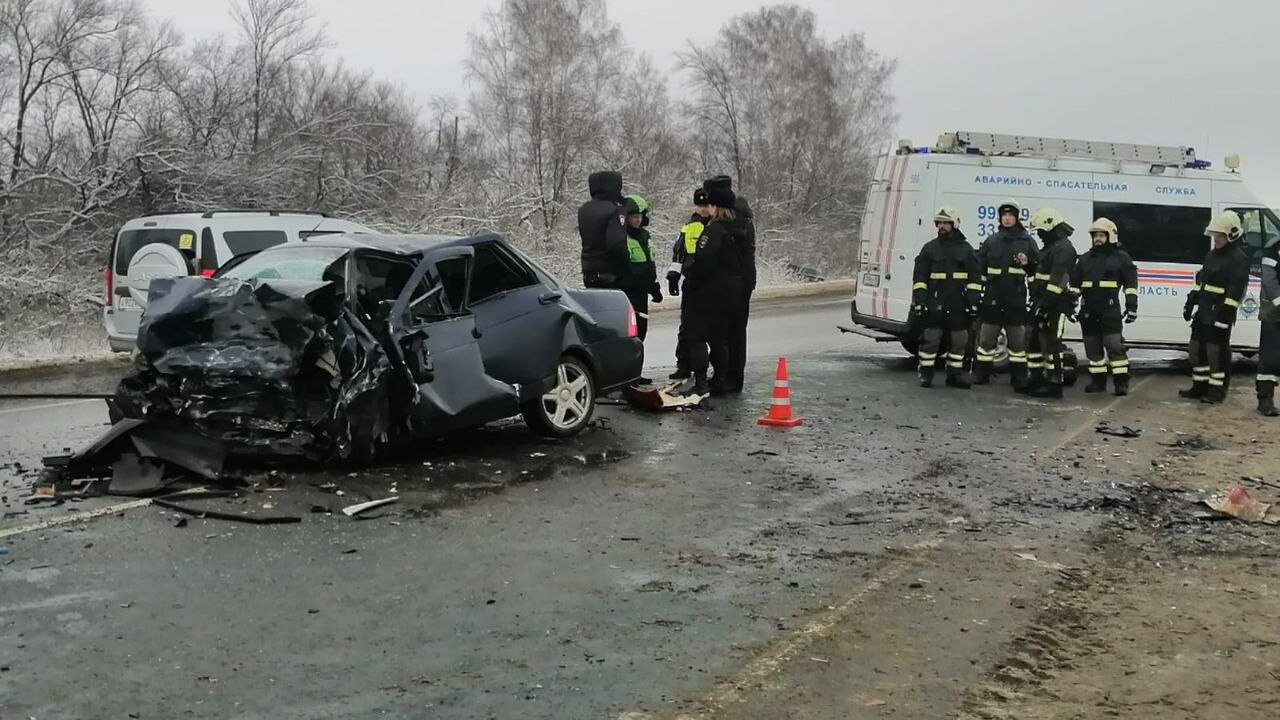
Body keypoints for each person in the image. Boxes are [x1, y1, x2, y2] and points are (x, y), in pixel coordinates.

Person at [1180, 211, 1251, 404]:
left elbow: (1235, 292)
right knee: (1196, 350)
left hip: (1220, 314)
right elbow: (1201, 282)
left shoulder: (1238, 259)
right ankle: (1199, 386)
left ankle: (1217, 391)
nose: (1216, 239)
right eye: (1215, 235)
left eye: (1220, 236)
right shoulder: (1211, 255)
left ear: (1232, 235)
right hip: (1203, 312)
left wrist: (1225, 316)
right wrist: (1190, 302)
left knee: (1216, 353)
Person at [680, 181, 741, 396]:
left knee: (697, 337)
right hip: (729, 294)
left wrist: (690, 277)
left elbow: (704, 262)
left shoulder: (714, 230)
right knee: (719, 339)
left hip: (707, 294)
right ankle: (720, 381)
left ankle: (701, 383)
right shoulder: (740, 227)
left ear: (716, 206)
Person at [911, 207, 982, 388]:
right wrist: (920, 301)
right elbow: (920, 278)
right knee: (930, 341)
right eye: (939, 223)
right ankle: (926, 375)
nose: (941, 226)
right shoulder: (929, 249)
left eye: (945, 223)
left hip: (959, 305)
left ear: (955, 224)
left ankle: (954, 376)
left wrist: (973, 303)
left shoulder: (966, 250)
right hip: (935, 304)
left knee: (959, 343)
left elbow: (975, 280)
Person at [974, 199, 1038, 389]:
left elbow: (1037, 270)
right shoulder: (991, 241)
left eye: (1010, 215)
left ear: (1017, 218)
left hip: (1015, 300)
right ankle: (981, 375)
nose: (1007, 219)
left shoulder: (1027, 242)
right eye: (1004, 215)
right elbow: (980, 269)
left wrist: (1028, 264)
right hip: (993, 299)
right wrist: (977, 296)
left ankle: (1018, 380)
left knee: (1017, 343)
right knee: (986, 340)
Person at [1071, 218, 1138, 396]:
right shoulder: (1085, 259)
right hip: (1088, 311)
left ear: (1111, 236)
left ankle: (1121, 382)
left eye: (1101, 235)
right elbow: (1075, 285)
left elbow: (1131, 284)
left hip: (1109, 311)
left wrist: (1132, 307)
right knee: (1093, 350)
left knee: (1115, 347)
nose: (1097, 239)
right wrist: (1071, 305)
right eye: (1095, 236)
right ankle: (1098, 382)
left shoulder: (1122, 258)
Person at [703, 175, 756, 393]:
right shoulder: (742, 214)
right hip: (744, 280)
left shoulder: (727, 220)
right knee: (735, 331)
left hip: (732, 281)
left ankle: (727, 377)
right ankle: (733, 376)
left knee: (725, 332)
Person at [1024, 208, 1078, 399]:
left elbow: (1056, 282)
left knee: (1052, 344)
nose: (1039, 234)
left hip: (1056, 305)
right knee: (1033, 343)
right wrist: (1027, 265)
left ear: (1050, 228)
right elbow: (1041, 274)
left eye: (1041, 230)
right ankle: (1036, 379)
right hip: (1042, 302)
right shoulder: (1051, 247)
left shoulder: (1064, 249)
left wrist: (1045, 307)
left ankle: (1055, 383)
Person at [667, 188, 710, 380]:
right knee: (686, 325)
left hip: (709, 282)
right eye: (700, 205)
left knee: (709, 328)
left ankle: (706, 367)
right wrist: (673, 276)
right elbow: (678, 252)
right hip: (691, 281)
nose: (703, 209)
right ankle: (683, 364)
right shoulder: (689, 227)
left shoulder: (716, 225)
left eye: (706, 205)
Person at [620, 194, 663, 344]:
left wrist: (654, 287)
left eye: (640, 216)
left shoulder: (645, 236)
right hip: (631, 292)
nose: (638, 219)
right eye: (633, 216)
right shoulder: (623, 238)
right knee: (632, 334)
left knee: (642, 332)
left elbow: (650, 264)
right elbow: (629, 269)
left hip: (643, 292)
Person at [577, 170, 629, 289]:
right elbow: (617, 243)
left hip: (589, 269)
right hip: (610, 272)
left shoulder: (584, 209)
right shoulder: (615, 210)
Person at [1258, 228, 1280, 416]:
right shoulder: (1273, 248)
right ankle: (1265, 401)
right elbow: (1269, 278)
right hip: (1273, 313)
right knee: (1270, 359)